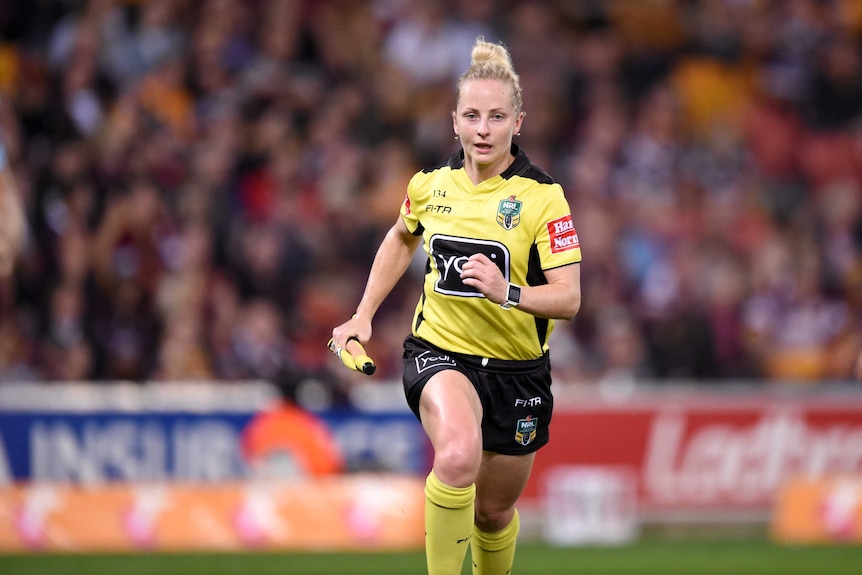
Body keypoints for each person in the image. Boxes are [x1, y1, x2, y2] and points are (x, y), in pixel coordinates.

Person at [331, 37, 582, 575]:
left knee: (493, 513)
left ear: (518, 122)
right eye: (472, 115)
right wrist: (363, 313)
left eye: (496, 116)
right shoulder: (429, 187)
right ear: (454, 122)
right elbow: (401, 237)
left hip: (518, 371)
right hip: (440, 352)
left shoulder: (543, 198)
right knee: (458, 455)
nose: (483, 129)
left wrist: (506, 292)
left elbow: (569, 297)